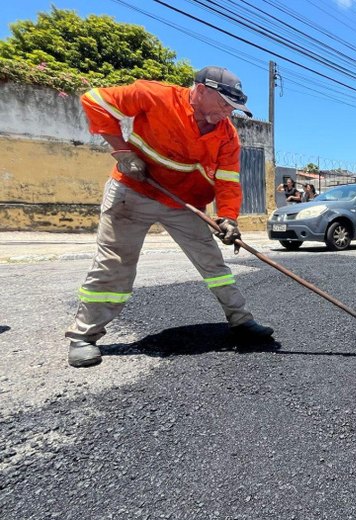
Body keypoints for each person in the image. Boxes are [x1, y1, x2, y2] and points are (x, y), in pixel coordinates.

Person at [65, 66, 275, 368]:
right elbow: (94, 99)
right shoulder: (155, 96)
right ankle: (84, 336)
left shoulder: (227, 135)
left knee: (213, 263)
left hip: (184, 203)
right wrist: (122, 153)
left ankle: (241, 321)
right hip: (134, 191)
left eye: (233, 108)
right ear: (202, 91)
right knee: (115, 263)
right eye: (223, 104)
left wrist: (228, 218)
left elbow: (228, 180)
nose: (227, 113)